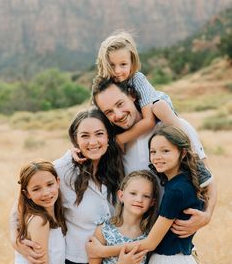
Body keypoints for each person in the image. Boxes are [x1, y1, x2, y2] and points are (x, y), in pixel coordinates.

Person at [87, 124, 219, 264]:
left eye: (165, 151)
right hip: (179, 260)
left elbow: (150, 243)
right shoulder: (185, 180)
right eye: (153, 151)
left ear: (182, 153)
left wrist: (102, 251)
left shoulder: (176, 191)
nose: (157, 157)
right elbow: (210, 183)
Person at [10, 107, 125, 264]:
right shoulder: (62, 170)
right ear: (75, 139)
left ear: (108, 136)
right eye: (85, 136)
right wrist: (15, 239)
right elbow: (21, 204)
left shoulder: (118, 166)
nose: (93, 142)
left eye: (99, 134)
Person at [90, 78, 217, 237]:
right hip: (137, 236)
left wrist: (207, 215)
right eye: (109, 112)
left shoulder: (174, 127)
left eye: (120, 104)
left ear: (132, 95)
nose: (118, 114)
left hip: (174, 235)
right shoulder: (114, 144)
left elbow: (206, 178)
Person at [95, 30, 212, 185]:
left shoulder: (137, 79)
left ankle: (195, 161)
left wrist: (120, 139)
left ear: (132, 63)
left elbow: (149, 121)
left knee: (160, 107)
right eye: (112, 65)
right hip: (131, 119)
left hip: (155, 111)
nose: (117, 71)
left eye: (123, 64)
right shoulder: (104, 86)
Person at [4, 159, 70, 264]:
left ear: (58, 182)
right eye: (36, 189)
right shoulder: (40, 222)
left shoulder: (48, 215)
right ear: (26, 193)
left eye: (50, 184)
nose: (46, 193)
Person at [88, 170, 159, 264]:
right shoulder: (105, 230)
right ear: (121, 196)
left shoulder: (150, 235)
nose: (139, 199)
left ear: (153, 202)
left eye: (146, 196)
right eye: (133, 193)